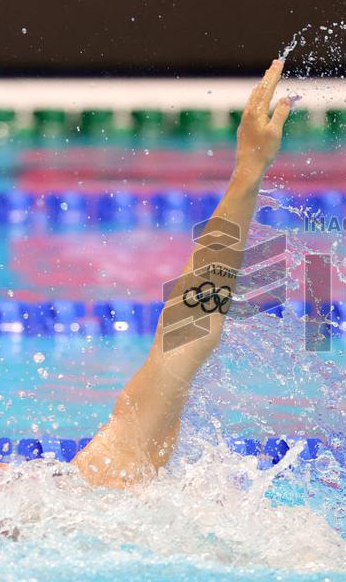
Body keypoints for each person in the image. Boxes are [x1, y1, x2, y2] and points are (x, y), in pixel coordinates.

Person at [71, 59, 292, 488]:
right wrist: (247, 172)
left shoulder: (103, 476)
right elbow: (189, 327)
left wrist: (247, 176)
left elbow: (189, 326)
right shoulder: (106, 475)